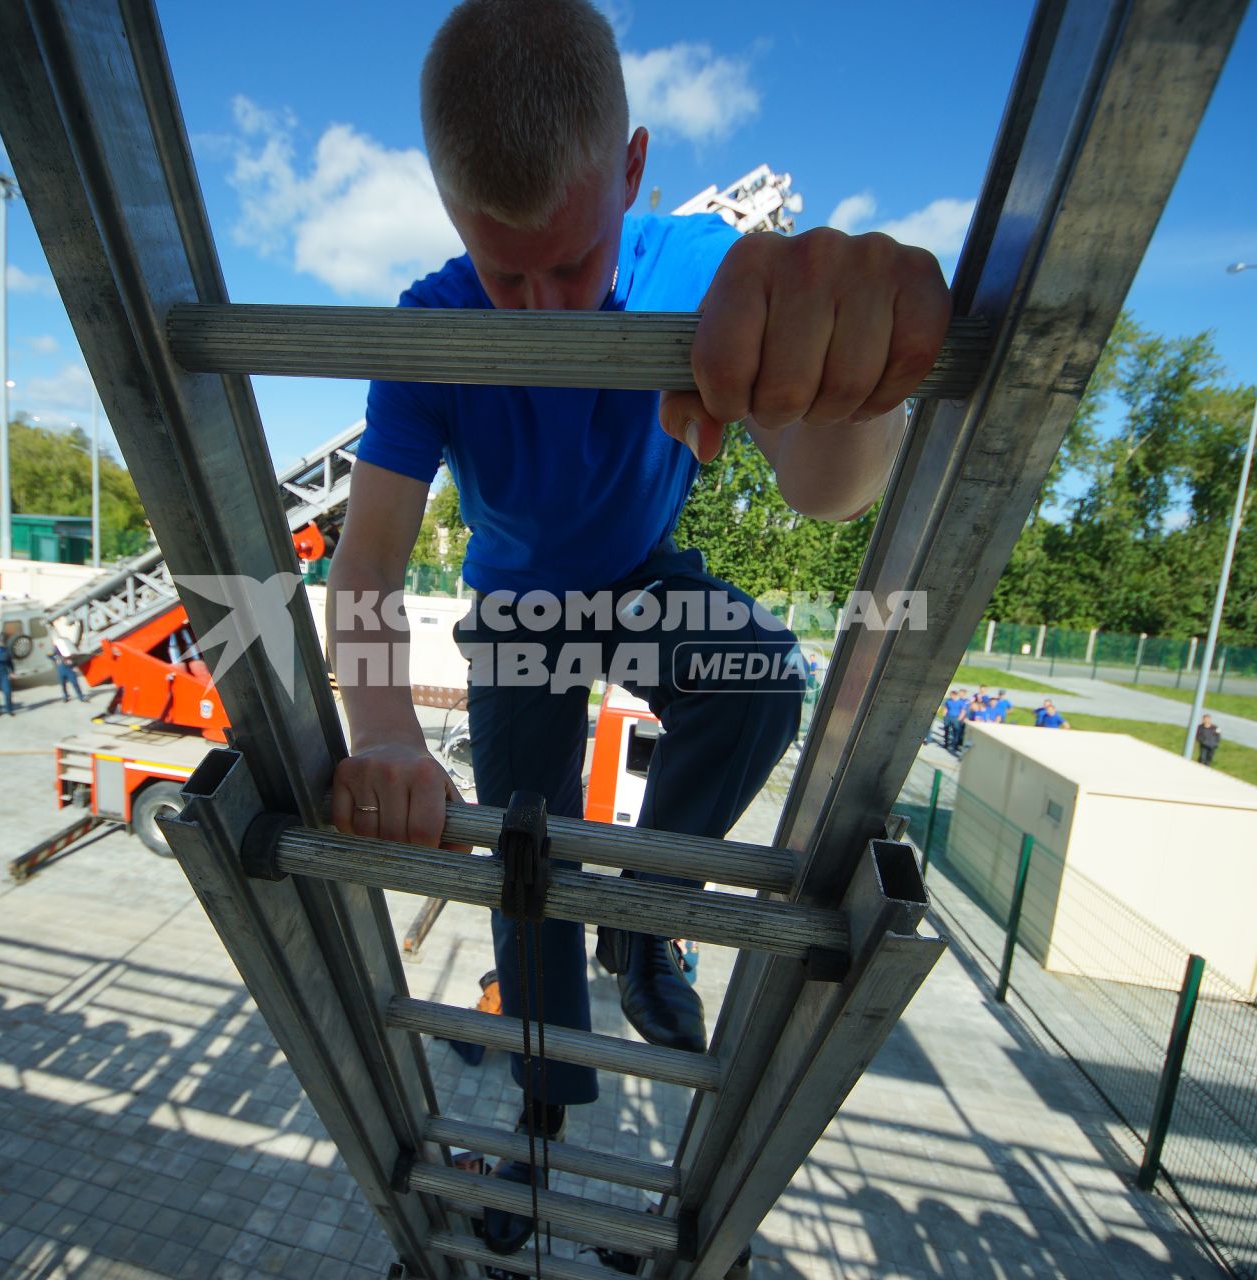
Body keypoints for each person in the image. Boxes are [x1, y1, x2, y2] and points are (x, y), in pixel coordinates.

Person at [324, 0, 949, 1256]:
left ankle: (646, 915)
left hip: (637, 574)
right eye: (510, 275)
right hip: (516, 611)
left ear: (632, 169)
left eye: (574, 261)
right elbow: (369, 561)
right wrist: (385, 733)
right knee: (519, 854)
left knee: (761, 688)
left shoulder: (700, 272)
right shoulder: (429, 324)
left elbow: (824, 489)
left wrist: (854, 372)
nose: (549, 309)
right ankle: (539, 1126)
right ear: (450, 212)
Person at [941, 687, 968, 751]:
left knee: (956, 732)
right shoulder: (948, 701)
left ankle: (955, 745)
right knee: (946, 730)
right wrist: (944, 716)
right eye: (950, 695)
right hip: (948, 717)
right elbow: (946, 708)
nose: (951, 696)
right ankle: (946, 744)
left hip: (956, 717)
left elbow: (963, 711)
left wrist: (959, 718)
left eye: (952, 695)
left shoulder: (960, 702)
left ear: (955, 695)